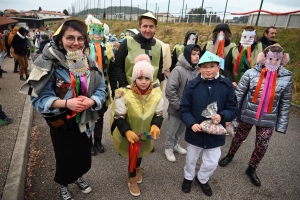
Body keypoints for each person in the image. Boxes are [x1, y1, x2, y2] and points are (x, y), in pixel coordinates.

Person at [20, 19, 107, 200]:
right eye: (70, 38)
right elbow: (38, 99)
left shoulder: (89, 63)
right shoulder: (46, 62)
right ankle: (63, 184)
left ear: (85, 41)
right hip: (62, 122)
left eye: (80, 38)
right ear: (60, 40)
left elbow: (102, 90)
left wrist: (91, 101)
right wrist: (67, 104)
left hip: (84, 119)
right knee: (65, 156)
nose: (76, 43)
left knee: (82, 154)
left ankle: (78, 177)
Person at [218, 45, 292, 187]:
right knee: (238, 137)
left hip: (268, 119)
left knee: (262, 145)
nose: (273, 61)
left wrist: (281, 124)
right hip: (247, 114)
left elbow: (285, 102)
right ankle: (230, 155)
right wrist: (232, 116)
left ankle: (252, 168)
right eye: (270, 58)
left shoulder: (286, 78)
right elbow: (238, 95)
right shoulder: (251, 73)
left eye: (277, 59)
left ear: (282, 60)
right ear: (264, 58)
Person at [179, 51, 238, 196]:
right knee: (191, 159)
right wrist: (191, 123)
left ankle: (202, 178)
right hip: (196, 131)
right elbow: (184, 108)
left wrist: (222, 116)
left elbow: (233, 109)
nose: (208, 70)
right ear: (199, 68)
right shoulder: (192, 85)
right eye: (204, 66)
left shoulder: (226, 85)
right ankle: (188, 177)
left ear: (219, 67)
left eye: (212, 66)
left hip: (216, 134)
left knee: (212, 161)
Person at [111, 54, 164, 197]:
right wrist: (126, 131)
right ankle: (131, 178)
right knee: (132, 155)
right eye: (139, 78)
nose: (143, 82)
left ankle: (137, 167)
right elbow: (119, 116)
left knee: (141, 152)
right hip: (130, 132)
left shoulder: (156, 94)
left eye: (147, 78)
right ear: (134, 78)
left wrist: (156, 125)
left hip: (145, 133)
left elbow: (158, 114)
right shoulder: (124, 94)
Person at [164, 44, 201, 162]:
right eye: (194, 54)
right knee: (172, 129)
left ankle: (175, 144)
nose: (197, 57)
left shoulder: (197, 70)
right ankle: (168, 147)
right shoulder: (178, 70)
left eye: (198, 54)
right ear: (187, 54)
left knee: (181, 129)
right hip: (177, 109)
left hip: (189, 110)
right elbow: (170, 90)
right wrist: (179, 107)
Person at [85, 14, 114, 156]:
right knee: (89, 114)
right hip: (87, 87)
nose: (96, 35)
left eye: (99, 32)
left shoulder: (106, 48)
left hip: (103, 87)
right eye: (94, 32)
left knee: (100, 115)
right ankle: (88, 143)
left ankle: (98, 140)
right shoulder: (85, 47)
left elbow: (112, 68)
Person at [113, 12, 164, 90]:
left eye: (151, 27)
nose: (148, 30)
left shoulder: (158, 46)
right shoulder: (127, 42)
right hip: (130, 92)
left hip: (151, 94)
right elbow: (118, 66)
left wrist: (157, 84)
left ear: (156, 27)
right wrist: (125, 86)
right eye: (145, 26)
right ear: (139, 27)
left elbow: (159, 69)